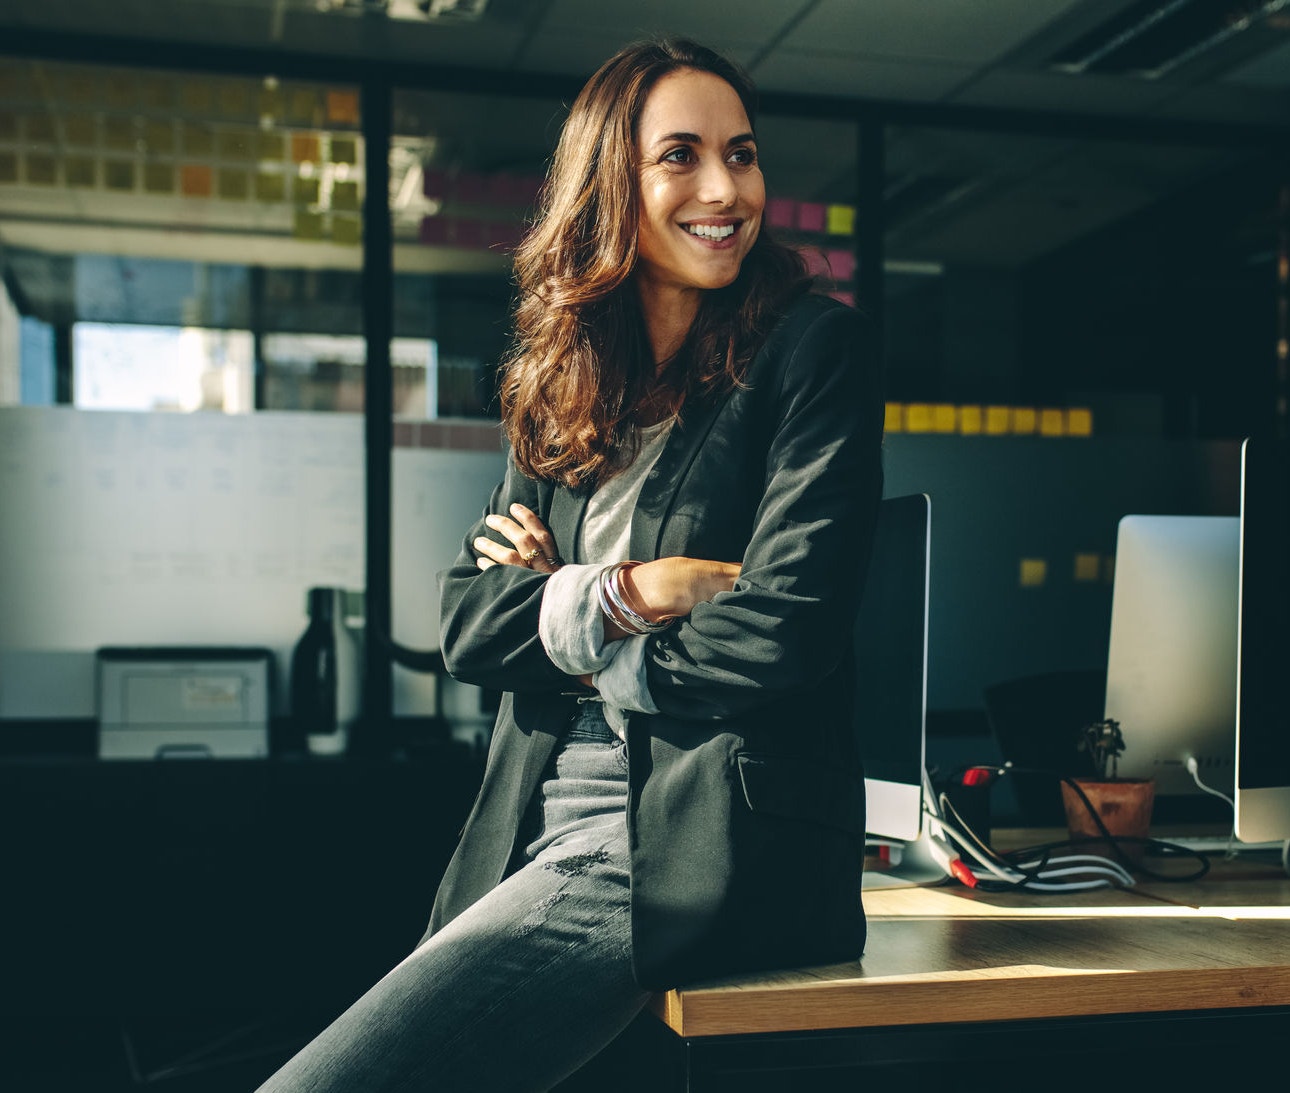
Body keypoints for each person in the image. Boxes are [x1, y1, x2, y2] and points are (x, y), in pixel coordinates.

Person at [256, 36, 884, 1092]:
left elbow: (790, 625)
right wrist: (645, 590)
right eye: (679, 156)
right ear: (611, 182)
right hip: (523, 820)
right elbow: (467, 623)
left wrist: (579, 637)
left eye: (743, 152)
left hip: (678, 836)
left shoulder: (808, 351)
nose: (725, 188)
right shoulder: (564, 380)